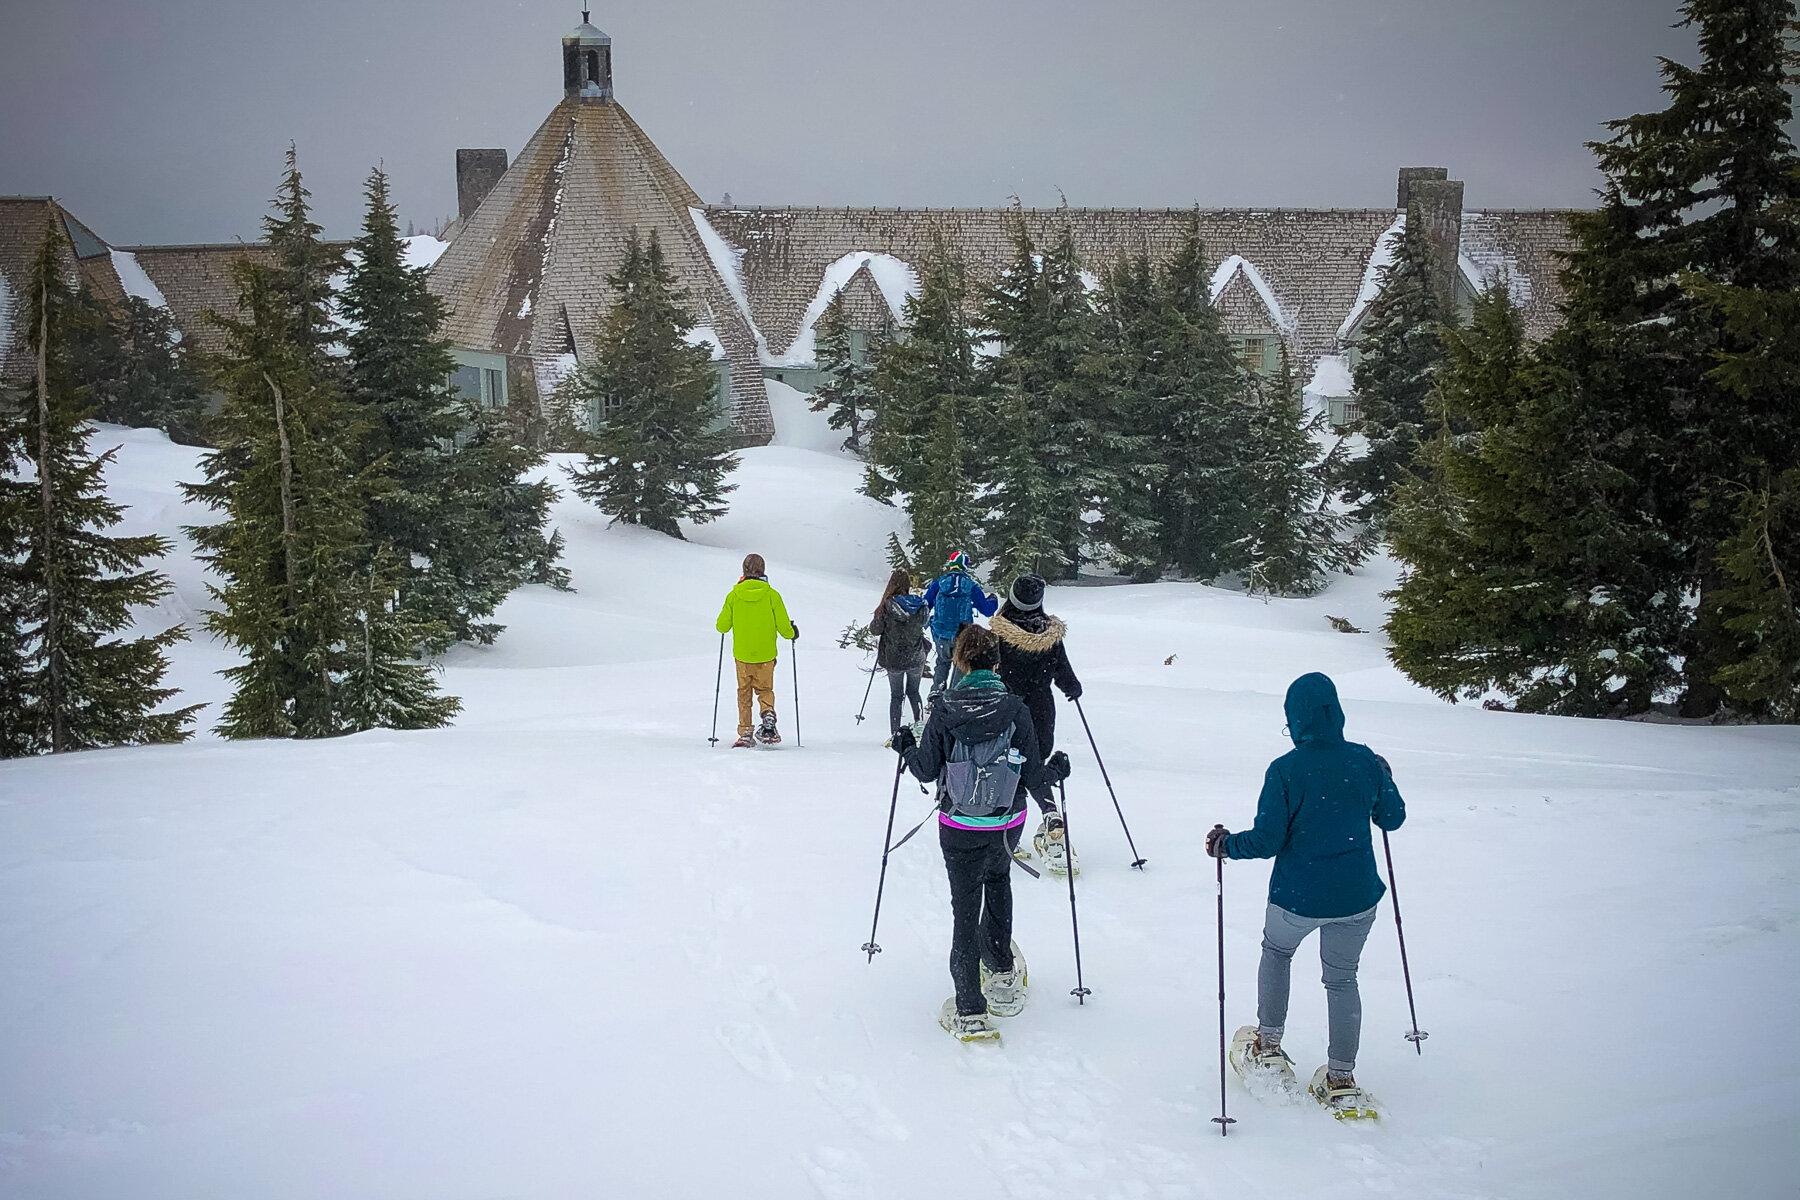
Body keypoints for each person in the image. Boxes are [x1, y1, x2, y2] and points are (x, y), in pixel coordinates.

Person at [1207, 672, 1405, 1106]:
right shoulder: (1364, 761)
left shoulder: (1286, 770)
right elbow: (1392, 818)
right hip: (1356, 898)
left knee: (1277, 953)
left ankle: (1269, 1045)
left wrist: (1225, 846)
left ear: (1295, 721)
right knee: (1342, 979)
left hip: (1297, 897)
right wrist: (1384, 778)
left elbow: (1266, 841)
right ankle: (1341, 1078)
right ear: (1336, 713)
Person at [893, 625, 1070, 1041]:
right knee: (999, 882)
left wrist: (905, 747)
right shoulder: (1015, 708)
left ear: (960, 662)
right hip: (1007, 821)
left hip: (958, 825)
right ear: (995, 662)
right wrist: (1056, 771)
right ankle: (1003, 970)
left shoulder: (945, 708)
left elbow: (925, 769)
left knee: (964, 907)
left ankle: (970, 1009)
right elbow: (1031, 776)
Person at [989, 573, 1083, 863]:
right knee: (1034, 766)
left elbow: (985, 668)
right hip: (1041, 710)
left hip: (1007, 709)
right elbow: (1063, 672)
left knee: (1008, 770)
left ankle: (1009, 835)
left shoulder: (998, 634)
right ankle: (1050, 814)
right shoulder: (1050, 635)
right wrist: (1073, 688)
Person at [715, 553, 798, 748]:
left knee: (744, 693)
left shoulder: (734, 595)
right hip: (766, 654)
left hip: (742, 655)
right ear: (763, 571)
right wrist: (792, 632)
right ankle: (767, 713)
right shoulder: (772, 595)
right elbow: (785, 629)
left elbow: (722, 626)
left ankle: (745, 733)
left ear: (743, 570)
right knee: (765, 689)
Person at [922, 550, 997, 695]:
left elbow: (926, 606)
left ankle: (936, 694)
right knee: (960, 666)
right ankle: (954, 697)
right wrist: (993, 600)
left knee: (942, 663)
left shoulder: (938, 583)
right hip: (962, 635)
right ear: (964, 566)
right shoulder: (970, 585)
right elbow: (987, 610)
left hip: (941, 633)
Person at [868, 569, 929, 741]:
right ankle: (919, 726)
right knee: (914, 692)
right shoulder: (921, 604)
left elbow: (875, 629)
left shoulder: (888, 605)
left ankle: (895, 733)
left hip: (894, 658)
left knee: (896, 695)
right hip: (916, 656)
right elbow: (924, 623)